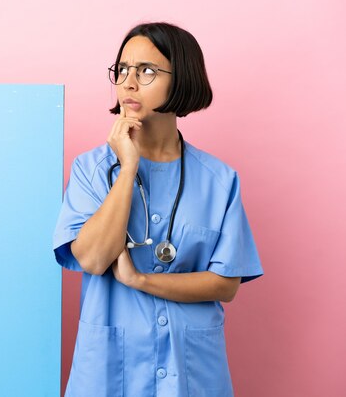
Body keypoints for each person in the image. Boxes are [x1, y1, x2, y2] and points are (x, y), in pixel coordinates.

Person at [52, 22, 264, 397]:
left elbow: (225, 283)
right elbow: (93, 259)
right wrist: (128, 167)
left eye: (146, 71)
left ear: (181, 78)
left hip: (192, 371)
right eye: (122, 70)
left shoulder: (219, 180)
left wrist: (142, 281)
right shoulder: (92, 170)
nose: (128, 83)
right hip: (110, 369)